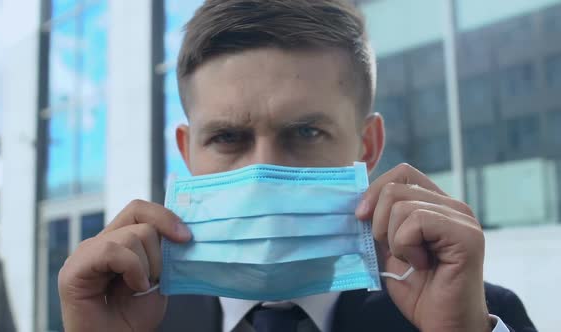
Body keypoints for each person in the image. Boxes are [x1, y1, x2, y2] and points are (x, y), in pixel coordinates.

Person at [58, 0, 537, 331]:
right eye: (227, 137)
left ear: (367, 146)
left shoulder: (479, 314)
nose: (264, 172)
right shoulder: (126, 318)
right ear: (188, 152)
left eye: (306, 132)